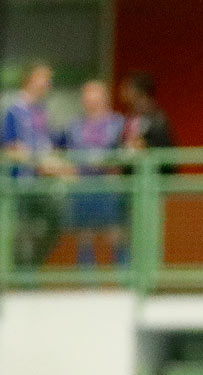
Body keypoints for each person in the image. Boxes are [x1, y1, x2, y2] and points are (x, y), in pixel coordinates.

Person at [0, 61, 69, 268]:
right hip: (21, 183)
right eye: (44, 78)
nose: (48, 83)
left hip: (44, 185)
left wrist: (59, 164)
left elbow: (49, 144)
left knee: (49, 228)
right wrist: (40, 163)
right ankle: (18, 276)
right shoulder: (14, 110)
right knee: (21, 232)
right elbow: (9, 148)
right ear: (30, 80)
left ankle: (33, 271)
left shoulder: (43, 111)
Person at [61, 80, 126, 269]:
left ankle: (124, 279)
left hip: (109, 188)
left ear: (104, 99)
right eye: (87, 98)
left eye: (95, 97)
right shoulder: (74, 126)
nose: (90, 102)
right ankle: (87, 283)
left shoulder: (117, 123)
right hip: (82, 187)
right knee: (84, 236)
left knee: (115, 235)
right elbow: (67, 152)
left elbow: (124, 154)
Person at [120, 72, 177, 167]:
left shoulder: (157, 119)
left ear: (139, 92)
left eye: (127, 88)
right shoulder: (129, 118)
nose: (122, 92)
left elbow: (167, 152)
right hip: (131, 177)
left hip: (152, 176)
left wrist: (146, 145)